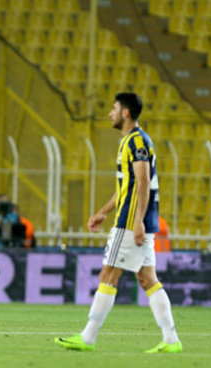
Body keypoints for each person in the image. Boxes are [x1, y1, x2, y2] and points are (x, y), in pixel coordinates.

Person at [55, 92, 181, 354]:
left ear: (125, 112)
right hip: (135, 218)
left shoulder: (137, 141)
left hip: (130, 222)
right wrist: (103, 212)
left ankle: (87, 337)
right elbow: (127, 186)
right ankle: (171, 340)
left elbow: (143, 182)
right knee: (147, 279)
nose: (110, 113)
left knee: (108, 275)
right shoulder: (129, 141)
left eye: (114, 108)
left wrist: (138, 221)